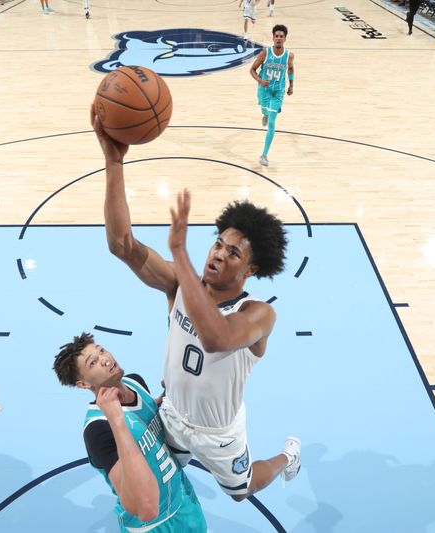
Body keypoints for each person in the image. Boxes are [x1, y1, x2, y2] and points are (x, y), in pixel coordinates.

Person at [91, 107, 301, 502]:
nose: (219, 254)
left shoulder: (258, 314)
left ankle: (288, 457)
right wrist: (114, 160)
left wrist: (180, 256)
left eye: (233, 253)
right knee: (157, 476)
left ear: (251, 269)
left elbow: (217, 338)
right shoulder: (179, 281)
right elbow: (122, 245)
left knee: (242, 491)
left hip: (220, 434)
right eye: (218, 243)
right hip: (172, 415)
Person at [53, 332, 207, 532]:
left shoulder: (135, 381)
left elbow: (149, 415)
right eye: (93, 363)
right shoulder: (97, 429)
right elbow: (142, 506)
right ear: (83, 384)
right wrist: (117, 420)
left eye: (101, 350)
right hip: (153, 526)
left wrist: (172, 393)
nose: (105, 360)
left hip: (185, 503)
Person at [250, 24, 294, 167]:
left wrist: (291, 85)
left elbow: (291, 69)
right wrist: (260, 80)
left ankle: (264, 155)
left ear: (285, 39)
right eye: (277, 36)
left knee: (272, 123)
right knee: (264, 110)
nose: (279, 38)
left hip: (278, 91)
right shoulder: (265, 53)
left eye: (281, 36)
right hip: (264, 90)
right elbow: (252, 70)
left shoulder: (289, 56)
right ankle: (265, 113)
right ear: (273, 38)